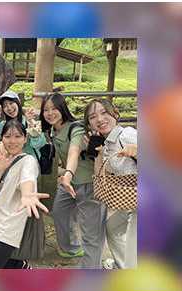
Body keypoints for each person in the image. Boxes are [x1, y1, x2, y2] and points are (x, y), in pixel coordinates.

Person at [39, 92, 106, 268]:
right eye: (46, 110)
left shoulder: (75, 128)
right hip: (68, 184)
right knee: (59, 211)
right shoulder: (52, 130)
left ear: (63, 108)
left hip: (88, 183)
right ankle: (71, 247)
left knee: (91, 234)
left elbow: (74, 151)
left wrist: (67, 174)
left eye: (54, 108)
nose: (50, 113)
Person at [0, 120, 50, 269]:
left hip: (5, 231)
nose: (12, 141)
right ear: (2, 138)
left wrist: (27, 195)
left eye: (17, 136)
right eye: (8, 136)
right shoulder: (3, 159)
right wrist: (0, 170)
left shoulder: (28, 161)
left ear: (25, 139)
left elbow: (27, 179)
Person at [84, 98, 137, 269]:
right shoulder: (106, 143)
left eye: (104, 112)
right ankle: (123, 265)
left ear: (115, 113)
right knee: (112, 228)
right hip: (129, 199)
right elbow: (101, 176)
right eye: (93, 117)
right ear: (89, 124)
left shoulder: (126, 134)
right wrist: (98, 153)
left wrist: (137, 151)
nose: (99, 119)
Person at [0, 90, 46, 159]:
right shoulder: (3, 126)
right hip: (11, 162)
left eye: (11, 103)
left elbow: (40, 144)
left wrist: (30, 123)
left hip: (29, 162)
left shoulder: (28, 121)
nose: (9, 108)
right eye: (5, 106)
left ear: (18, 103)